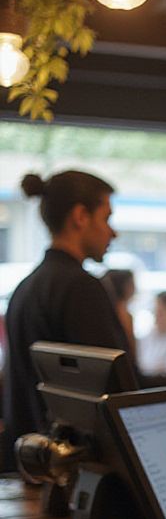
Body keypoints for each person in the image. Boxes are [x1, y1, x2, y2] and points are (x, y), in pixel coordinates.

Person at [2, 171, 128, 466]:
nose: (113, 232)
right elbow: (118, 388)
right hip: (71, 470)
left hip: (31, 462)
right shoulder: (80, 287)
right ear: (80, 216)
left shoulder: (26, 287)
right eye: (106, 218)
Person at [100, 268, 137, 360]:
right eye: (132, 284)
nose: (136, 288)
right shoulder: (124, 316)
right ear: (125, 287)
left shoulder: (106, 312)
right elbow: (130, 351)